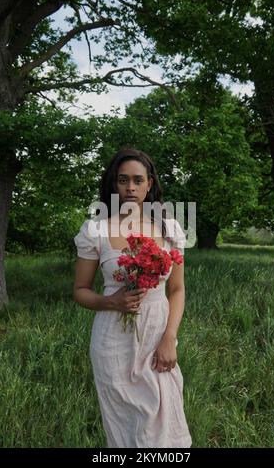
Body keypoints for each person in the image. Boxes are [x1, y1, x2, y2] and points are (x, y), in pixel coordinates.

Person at [73, 147, 192, 448]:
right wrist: (111, 301)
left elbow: (176, 290)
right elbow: (80, 291)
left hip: (157, 336)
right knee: (124, 428)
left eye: (138, 180)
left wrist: (170, 338)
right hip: (113, 341)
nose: (130, 187)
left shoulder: (169, 228)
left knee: (163, 427)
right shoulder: (95, 230)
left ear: (149, 184)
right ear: (114, 184)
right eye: (123, 180)